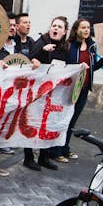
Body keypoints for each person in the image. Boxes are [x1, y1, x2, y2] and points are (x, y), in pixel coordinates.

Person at [61, 17, 103, 161]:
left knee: (72, 121)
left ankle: (65, 149)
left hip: (84, 89)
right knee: (64, 120)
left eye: (88, 28)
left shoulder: (92, 46)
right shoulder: (70, 45)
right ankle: (56, 151)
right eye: (83, 27)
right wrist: (79, 67)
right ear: (76, 29)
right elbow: (66, 67)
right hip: (71, 89)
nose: (86, 30)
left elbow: (93, 67)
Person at [27, 16, 71, 168]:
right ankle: (28, 158)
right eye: (54, 25)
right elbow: (29, 57)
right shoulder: (42, 41)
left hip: (54, 94)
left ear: (64, 32)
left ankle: (44, 157)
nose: (56, 28)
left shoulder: (65, 47)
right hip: (38, 93)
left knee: (49, 124)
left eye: (59, 27)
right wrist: (43, 51)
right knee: (33, 122)